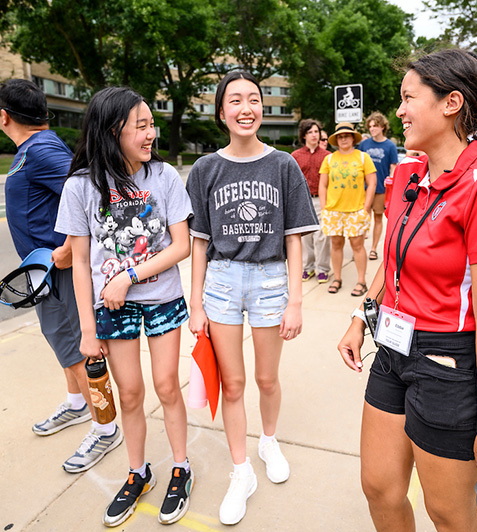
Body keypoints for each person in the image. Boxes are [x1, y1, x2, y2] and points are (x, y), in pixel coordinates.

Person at [338, 48, 477, 532]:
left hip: (449, 363)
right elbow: (392, 260)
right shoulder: (408, 173)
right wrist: (362, 317)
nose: (398, 111)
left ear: (451, 104)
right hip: (393, 349)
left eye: (408, 98)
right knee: (378, 487)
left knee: (447, 513)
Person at [56, 86, 194, 527]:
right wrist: (87, 329)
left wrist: (129, 275)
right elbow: (79, 262)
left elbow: (182, 245)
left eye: (152, 124)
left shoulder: (165, 176)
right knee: (130, 393)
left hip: (161, 298)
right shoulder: (80, 186)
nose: (151, 133)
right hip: (110, 310)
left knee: (167, 385)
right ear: (113, 130)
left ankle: (181, 467)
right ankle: (138, 472)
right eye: (142, 126)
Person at [185, 71, 318, 526]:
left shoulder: (283, 165)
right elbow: (199, 241)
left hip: (269, 279)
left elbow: (295, 236)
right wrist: (196, 303)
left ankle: (270, 440)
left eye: (254, 100)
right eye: (236, 101)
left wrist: (295, 300)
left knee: (266, 378)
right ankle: (241, 471)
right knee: (234, 383)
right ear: (221, 111)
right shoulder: (205, 169)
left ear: (263, 108)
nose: (246, 108)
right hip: (221, 280)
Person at [0, 79, 123, 473]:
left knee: (79, 349)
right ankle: (77, 405)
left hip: (61, 270)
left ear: (3, 115)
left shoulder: (42, 149)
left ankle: (107, 428)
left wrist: (69, 250)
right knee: (63, 344)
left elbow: (92, 190)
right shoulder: (34, 149)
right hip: (43, 270)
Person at [319, 123, 377, 296]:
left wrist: (366, 208)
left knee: (357, 245)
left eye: (347, 135)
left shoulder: (362, 158)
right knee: (336, 245)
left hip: (356, 210)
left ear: (353, 138)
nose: (343, 138)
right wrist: (324, 208)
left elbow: (372, 183)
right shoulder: (329, 159)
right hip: (334, 211)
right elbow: (323, 185)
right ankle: (337, 278)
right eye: (340, 136)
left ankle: (361, 281)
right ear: (336, 139)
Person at [291, 119, 331, 283]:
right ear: (304, 135)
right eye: (310, 132)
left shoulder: (328, 157)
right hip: (303, 201)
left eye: (316, 131)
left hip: (322, 200)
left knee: (322, 236)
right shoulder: (296, 156)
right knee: (305, 237)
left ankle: (322, 269)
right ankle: (308, 268)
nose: (314, 135)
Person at [359, 112, 398, 261]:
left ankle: (373, 248)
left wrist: (390, 182)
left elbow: (393, 167)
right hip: (364, 188)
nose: (372, 129)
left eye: (375, 126)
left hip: (381, 189)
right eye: (370, 126)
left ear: (382, 127)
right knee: (363, 217)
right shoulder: (364, 144)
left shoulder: (390, 146)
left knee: (378, 218)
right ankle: (360, 246)